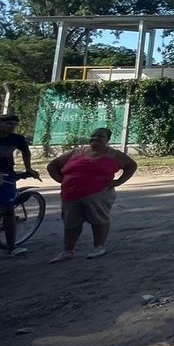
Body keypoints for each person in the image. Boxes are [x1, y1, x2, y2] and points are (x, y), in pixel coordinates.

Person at [46, 128, 137, 263]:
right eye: (93, 136)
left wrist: (119, 181)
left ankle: (98, 247)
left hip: (99, 193)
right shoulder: (77, 152)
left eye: (100, 137)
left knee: (98, 220)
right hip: (70, 194)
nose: (95, 139)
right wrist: (62, 180)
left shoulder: (114, 155)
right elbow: (52, 166)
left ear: (107, 140)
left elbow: (131, 165)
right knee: (71, 223)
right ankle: (68, 250)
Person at [0, 113, 38, 258]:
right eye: (8, 124)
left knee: (8, 211)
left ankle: (11, 247)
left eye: (14, 125)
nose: (11, 128)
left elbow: (26, 152)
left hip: (7, 175)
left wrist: (29, 168)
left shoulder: (17, 139)